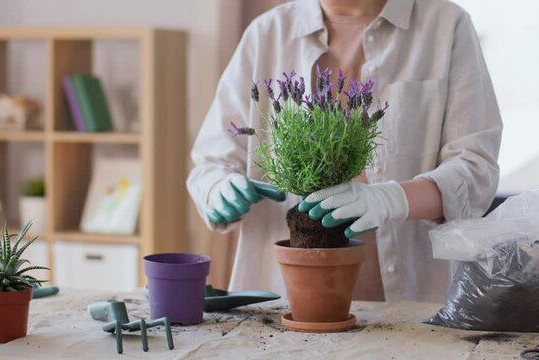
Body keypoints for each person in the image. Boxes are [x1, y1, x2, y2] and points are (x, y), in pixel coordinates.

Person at [187, 0, 502, 302]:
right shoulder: (268, 33)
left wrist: (393, 199)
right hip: (283, 297)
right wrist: (218, 188)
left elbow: (475, 168)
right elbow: (213, 160)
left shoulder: (445, 26)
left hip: (408, 298)